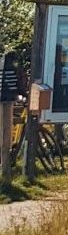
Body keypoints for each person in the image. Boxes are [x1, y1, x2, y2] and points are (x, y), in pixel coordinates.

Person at [0, 49, 19, 181]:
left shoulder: (3, 68)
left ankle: (5, 168)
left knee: (4, 134)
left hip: (5, 100)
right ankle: (5, 168)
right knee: (6, 135)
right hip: (8, 101)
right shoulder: (13, 69)